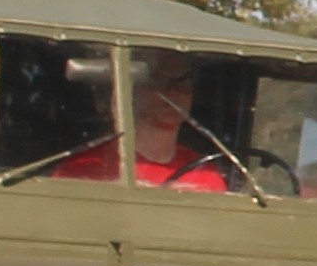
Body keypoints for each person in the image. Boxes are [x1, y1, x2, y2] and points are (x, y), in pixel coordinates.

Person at [56, 51, 249, 193]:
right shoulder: (83, 169)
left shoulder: (206, 174)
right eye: (158, 80)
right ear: (131, 89)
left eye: (184, 81)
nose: (174, 92)